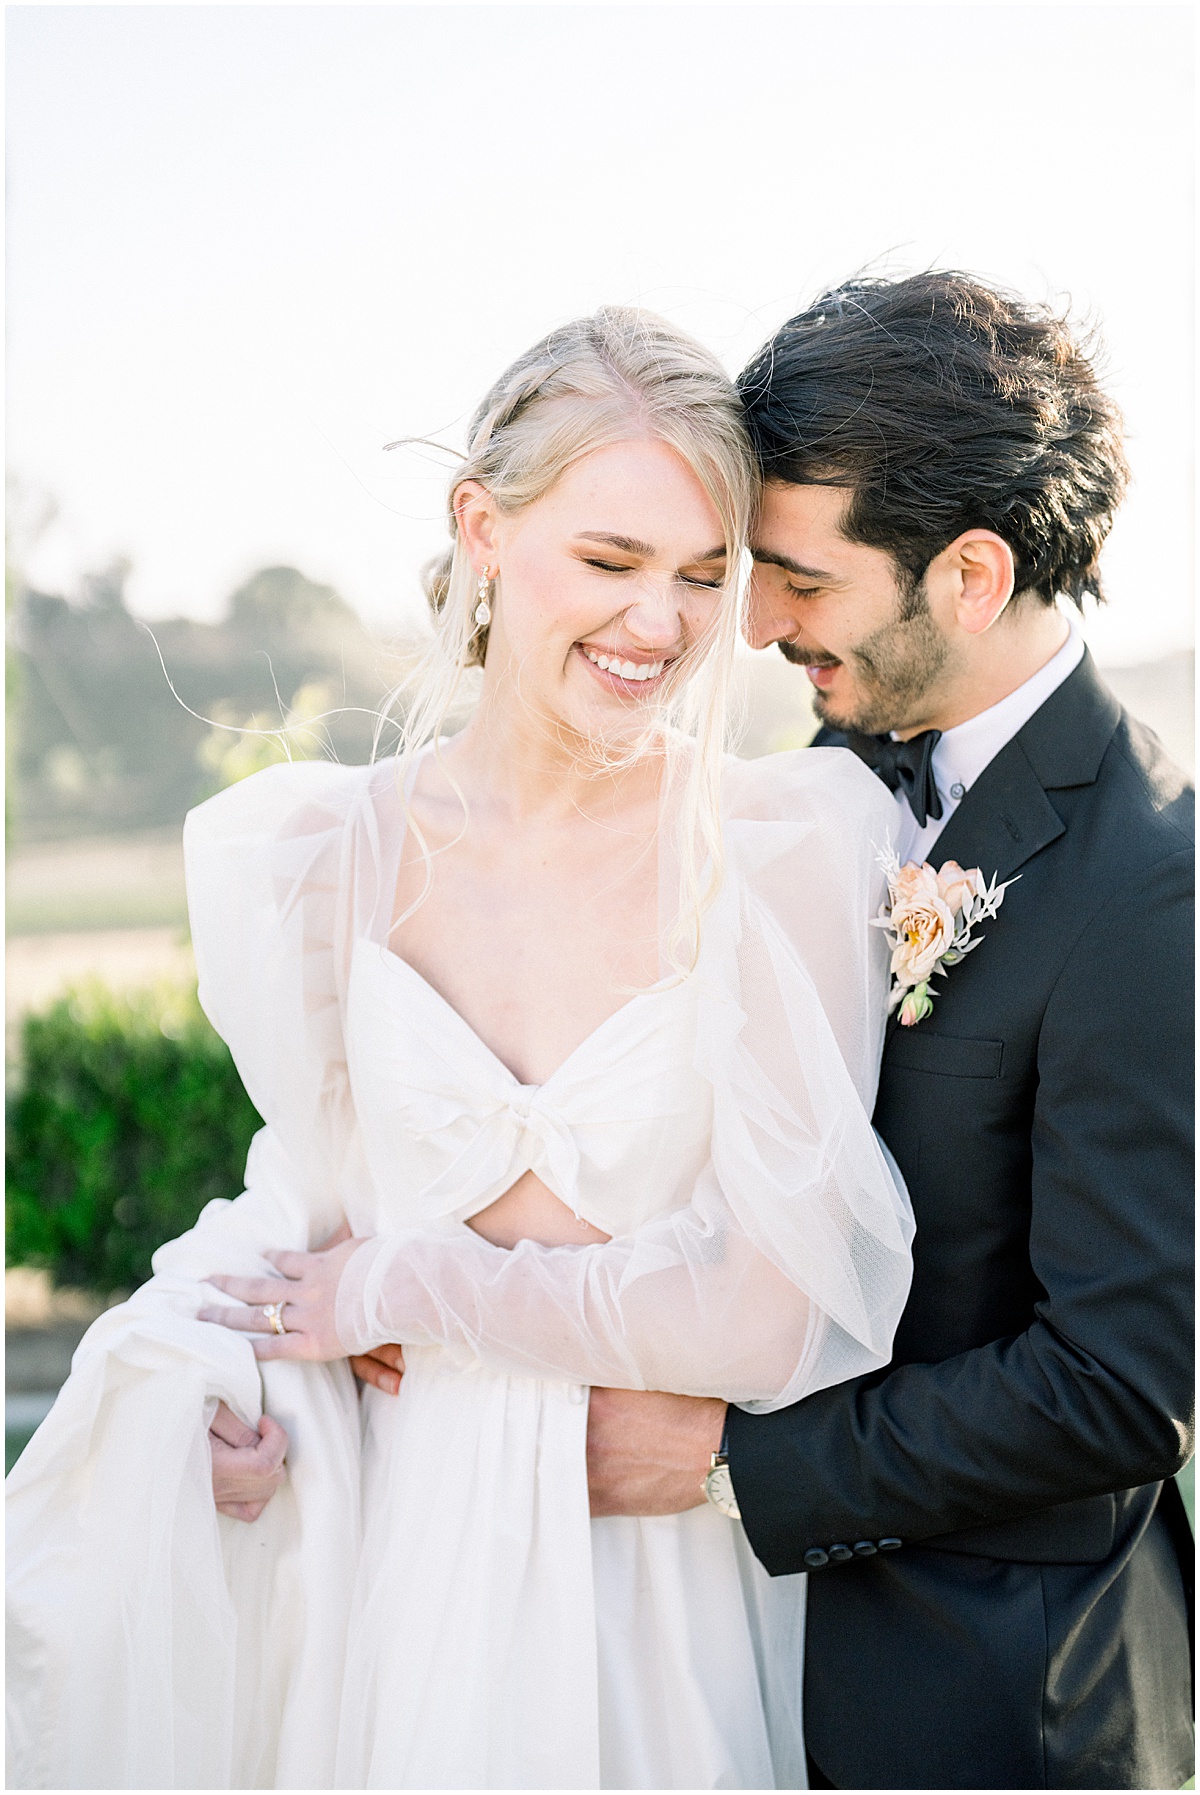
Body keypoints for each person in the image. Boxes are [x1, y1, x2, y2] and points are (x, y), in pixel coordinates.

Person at [6, 306, 915, 1790]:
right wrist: (230, 1400)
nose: (661, 625)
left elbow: (762, 1316)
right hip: (401, 1557)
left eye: (703, 574)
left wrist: (410, 1286)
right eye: (610, 562)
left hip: (659, 1591)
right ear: (482, 529)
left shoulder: (781, 846)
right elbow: (294, 1223)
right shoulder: (327, 854)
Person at [530, 273, 1193, 1790]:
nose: (752, 623)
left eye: (800, 579)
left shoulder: (1152, 886)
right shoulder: (821, 791)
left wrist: (718, 1465)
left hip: (1000, 1704)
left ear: (968, 574)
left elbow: (1117, 1380)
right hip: (735, 1669)